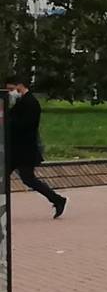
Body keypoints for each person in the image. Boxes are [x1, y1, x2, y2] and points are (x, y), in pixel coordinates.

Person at [5, 81, 67, 219]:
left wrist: (8, 123)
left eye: (11, 89)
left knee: (27, 178)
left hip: (24, 150)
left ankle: (57, 199)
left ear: (20, 86)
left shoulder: (31, 103)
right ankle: (57, 199)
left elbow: (26, 125)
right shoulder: (21, 102)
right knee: (27, 179)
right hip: (17, 150)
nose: (10, 93)